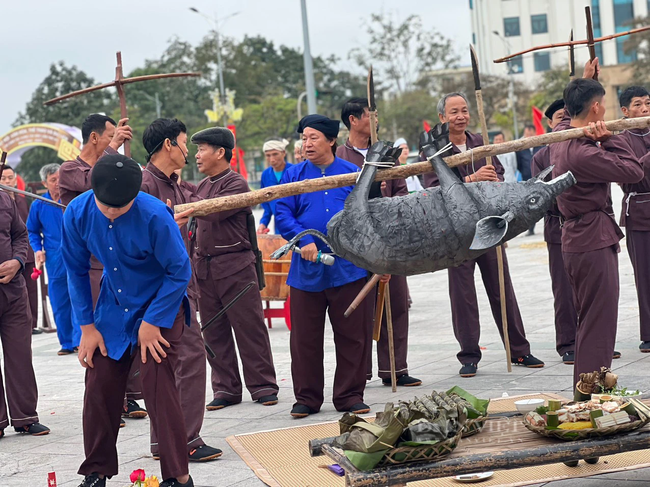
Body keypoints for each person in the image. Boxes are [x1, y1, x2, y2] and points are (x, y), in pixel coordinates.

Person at [61, 154, 194, 487]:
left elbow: (179, 271)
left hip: (160, 304)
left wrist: (153, 321)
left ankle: (179, 475)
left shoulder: (154, 215)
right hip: (114, 306)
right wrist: (87, 328)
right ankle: (96, 470)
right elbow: (76, 271)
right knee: (99, 383)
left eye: (120, 207)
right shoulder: (77, 212)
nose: (112, 212)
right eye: (106, 206)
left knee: (157, 384)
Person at [423, 92, 544, 378]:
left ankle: (519, 350)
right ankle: (469, 355)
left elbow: (499, 175)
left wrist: (495, 181)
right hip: (456, 235)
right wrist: (471, 180)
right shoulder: (434, 149)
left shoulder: (481, 141)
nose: (461, 116)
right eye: (454, 112)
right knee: (463, 296)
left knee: (502, 288)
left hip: (489, 227)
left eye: (464, 110)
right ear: (442, 117)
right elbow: (430, 188)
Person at [550, 59, 643, 387]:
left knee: (591, 320)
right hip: (591, 239)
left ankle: (588, 389)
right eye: (601, 105)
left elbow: (565, 114)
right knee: (598, 324)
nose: (604, 111)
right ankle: (589, 393)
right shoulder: (583, 153)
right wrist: (609, 138)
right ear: (595, 109)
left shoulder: (562, 135)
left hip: (580, 239)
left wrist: (583, 81)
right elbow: (633, 171)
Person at [276, 114, 374, 418]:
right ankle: (306, 398)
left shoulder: (352, 173)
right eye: (304, 138)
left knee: (352, 335)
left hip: (348, 268)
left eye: (313, 137)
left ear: (331, 140)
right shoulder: (293, 176)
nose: (306, 144)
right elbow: (282, 213)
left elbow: (366, 215)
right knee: (304, 338)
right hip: (306, 270)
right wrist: (301, 238)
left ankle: (349, 395)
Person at [139, 118, 222, 462]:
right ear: (170, 145)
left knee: (168, 362)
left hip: (181, 286)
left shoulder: (179, 186)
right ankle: (185, 438)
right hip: (159, 289)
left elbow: (209, 200)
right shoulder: (143, 185)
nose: (189, 150)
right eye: (186, 142)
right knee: (188, 358)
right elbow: (136, 236)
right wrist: (169, 227)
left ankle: (165, 442)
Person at [59, 114, 146, 421]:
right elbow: (98, 185)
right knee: (99, 337)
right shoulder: (70, 169)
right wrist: (114, 152)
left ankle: (129, 395)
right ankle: (106, 400)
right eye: (110, 136)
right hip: (92, 264)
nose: (115, 140)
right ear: (95, 138)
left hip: (117, 263)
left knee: (131, 329)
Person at [190, 127, 279, 411]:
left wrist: (190, 207)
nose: (197, 155)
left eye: (202, 148)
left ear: (220, 152)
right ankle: (226, 388)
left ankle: (263, 384)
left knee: (249, 327)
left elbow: (212, 211)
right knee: (213, 331)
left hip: (235, 267)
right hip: (205, 268)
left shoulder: (236, 184)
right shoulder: (202, 187)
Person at [337, 98, 421, 387]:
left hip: (389, 240)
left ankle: (395, 368)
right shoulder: (339, 157)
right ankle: (360, 371)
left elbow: (401, 194)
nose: (376, 120)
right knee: (359, 309)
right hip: (356, 245)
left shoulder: (387, 154)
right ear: (353, 120)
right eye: (371, 116)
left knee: (395, 303)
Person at [0, 184, 50, 439]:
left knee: (20, 355)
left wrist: (18, 261)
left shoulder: (4, 199)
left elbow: (21, 235)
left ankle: (25, 418)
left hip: (13, 289)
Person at [531, 100, 578, 364]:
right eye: (560, 118)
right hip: (557, 226)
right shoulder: (540, 157)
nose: (565, 123)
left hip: (587, 225)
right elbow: (538, 196)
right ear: (550, 124)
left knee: (590, 288)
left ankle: (593, 337)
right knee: (563, 289)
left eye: (569, 117)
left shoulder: (584, 146)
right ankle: (568, 342)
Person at [26, 163, 79, 354]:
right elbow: (31, 230)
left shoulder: (72, 200)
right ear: (44, 182)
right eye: (53, 180)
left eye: (60, 179)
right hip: (55, 259)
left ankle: (79, 339)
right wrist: (37, 249)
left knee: (79, 296)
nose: (58, 183)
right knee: (59, 300)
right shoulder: (39, 204)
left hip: (77, 255)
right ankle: (66, 342)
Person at [618, 86, 650, 353]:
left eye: (648, 103)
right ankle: (649, 333)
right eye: (638, 105)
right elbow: (630, 173)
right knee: (645, 273)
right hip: (639, 210)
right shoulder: (620, 139)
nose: (644, 109)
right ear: (625, 112)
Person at [0, 166, 39, 334]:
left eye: (10, 178)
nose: (7, 181)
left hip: (22, 255)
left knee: (30, 291)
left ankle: (32, 324)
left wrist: (18, 258)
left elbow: (22, 232)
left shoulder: (21, 200)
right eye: (4, 178)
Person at [258, 138, 292, 234]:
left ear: (283, 153)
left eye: (275, 154)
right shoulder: (266, 175)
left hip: (297, 220)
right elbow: (266, 204)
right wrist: (263, 223)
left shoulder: (294, 171)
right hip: (279, 223)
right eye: (268, 155)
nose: (272, 159)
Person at [516, 124, 542, 235]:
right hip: (527, 179)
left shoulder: (541, 145)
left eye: (531, 132)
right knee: (530, 204)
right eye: (527, 132)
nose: (529, 134)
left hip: (541, 179)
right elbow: (518, 164)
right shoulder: (521, 148)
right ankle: (531, 229)